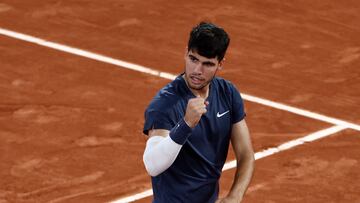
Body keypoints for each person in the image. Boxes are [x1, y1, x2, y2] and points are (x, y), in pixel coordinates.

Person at [142, 22, 254, 203]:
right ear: (186, 53)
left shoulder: (227, 93)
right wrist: (185, 124)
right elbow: (152, 165)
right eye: (193, 59)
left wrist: (235, 196)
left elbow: (245, 153)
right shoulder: (165, 104)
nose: (197, 71)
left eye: (207, 64)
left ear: (220, 64)